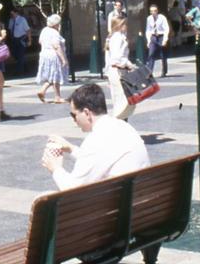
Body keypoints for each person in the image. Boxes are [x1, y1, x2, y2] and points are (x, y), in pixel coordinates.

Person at [40, 84, 159, 264]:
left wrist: (55, 168)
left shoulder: (96, 140)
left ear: (87, 113)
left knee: (45, 202)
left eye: (73, 115)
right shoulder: (122, 127)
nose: (74, 120)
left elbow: (72, 190)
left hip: (110, 229)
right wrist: (72, 149)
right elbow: (103, 159)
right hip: (142, 216)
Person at [106, 17, 136, 121]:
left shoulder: (118, 37)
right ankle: (120, 126)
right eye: (124, 24)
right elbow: (117, 57)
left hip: (117, 70)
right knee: (122, 101)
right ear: (119, 25)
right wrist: (129, 64)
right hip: (118, 71)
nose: (126, 26)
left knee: (122, 100)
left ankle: (122, 124)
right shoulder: (117, 38)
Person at [35, 13, 67, 104]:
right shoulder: (54, 33)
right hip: (53, 56)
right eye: (59, 23)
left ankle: (43, 90)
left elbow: (40, 41)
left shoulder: (44, 30)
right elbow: (56, 46)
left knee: (51, 75)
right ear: (56, 24)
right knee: (55, 75)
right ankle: (57, 96)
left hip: (44, 54)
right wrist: (63, 59)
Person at [144, 4, 170, 78]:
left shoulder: (162, 18)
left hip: (161, 36)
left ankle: (164, 71)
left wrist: (165, 40)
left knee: (163, 55)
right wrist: (148, 40)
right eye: (151, 11)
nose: (153, 12)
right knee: (151, 54)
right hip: (153, 37)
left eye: (154, 11)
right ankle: (149, 72)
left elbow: (166, 29)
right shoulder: (149, 18)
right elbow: (148, 30)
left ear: (157, 11)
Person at [8, 7, 31, 76]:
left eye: (13, 14)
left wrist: (29, 40)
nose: (12, 15)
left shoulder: (22, 19)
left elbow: (28, 30)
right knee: (16, 55)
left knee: (20, 55)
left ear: (16, 13)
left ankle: (19, 71)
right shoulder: (11, 20)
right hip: (14, 39)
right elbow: (10, 29)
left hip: (21, 39)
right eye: (11, 14)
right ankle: (26, 67)